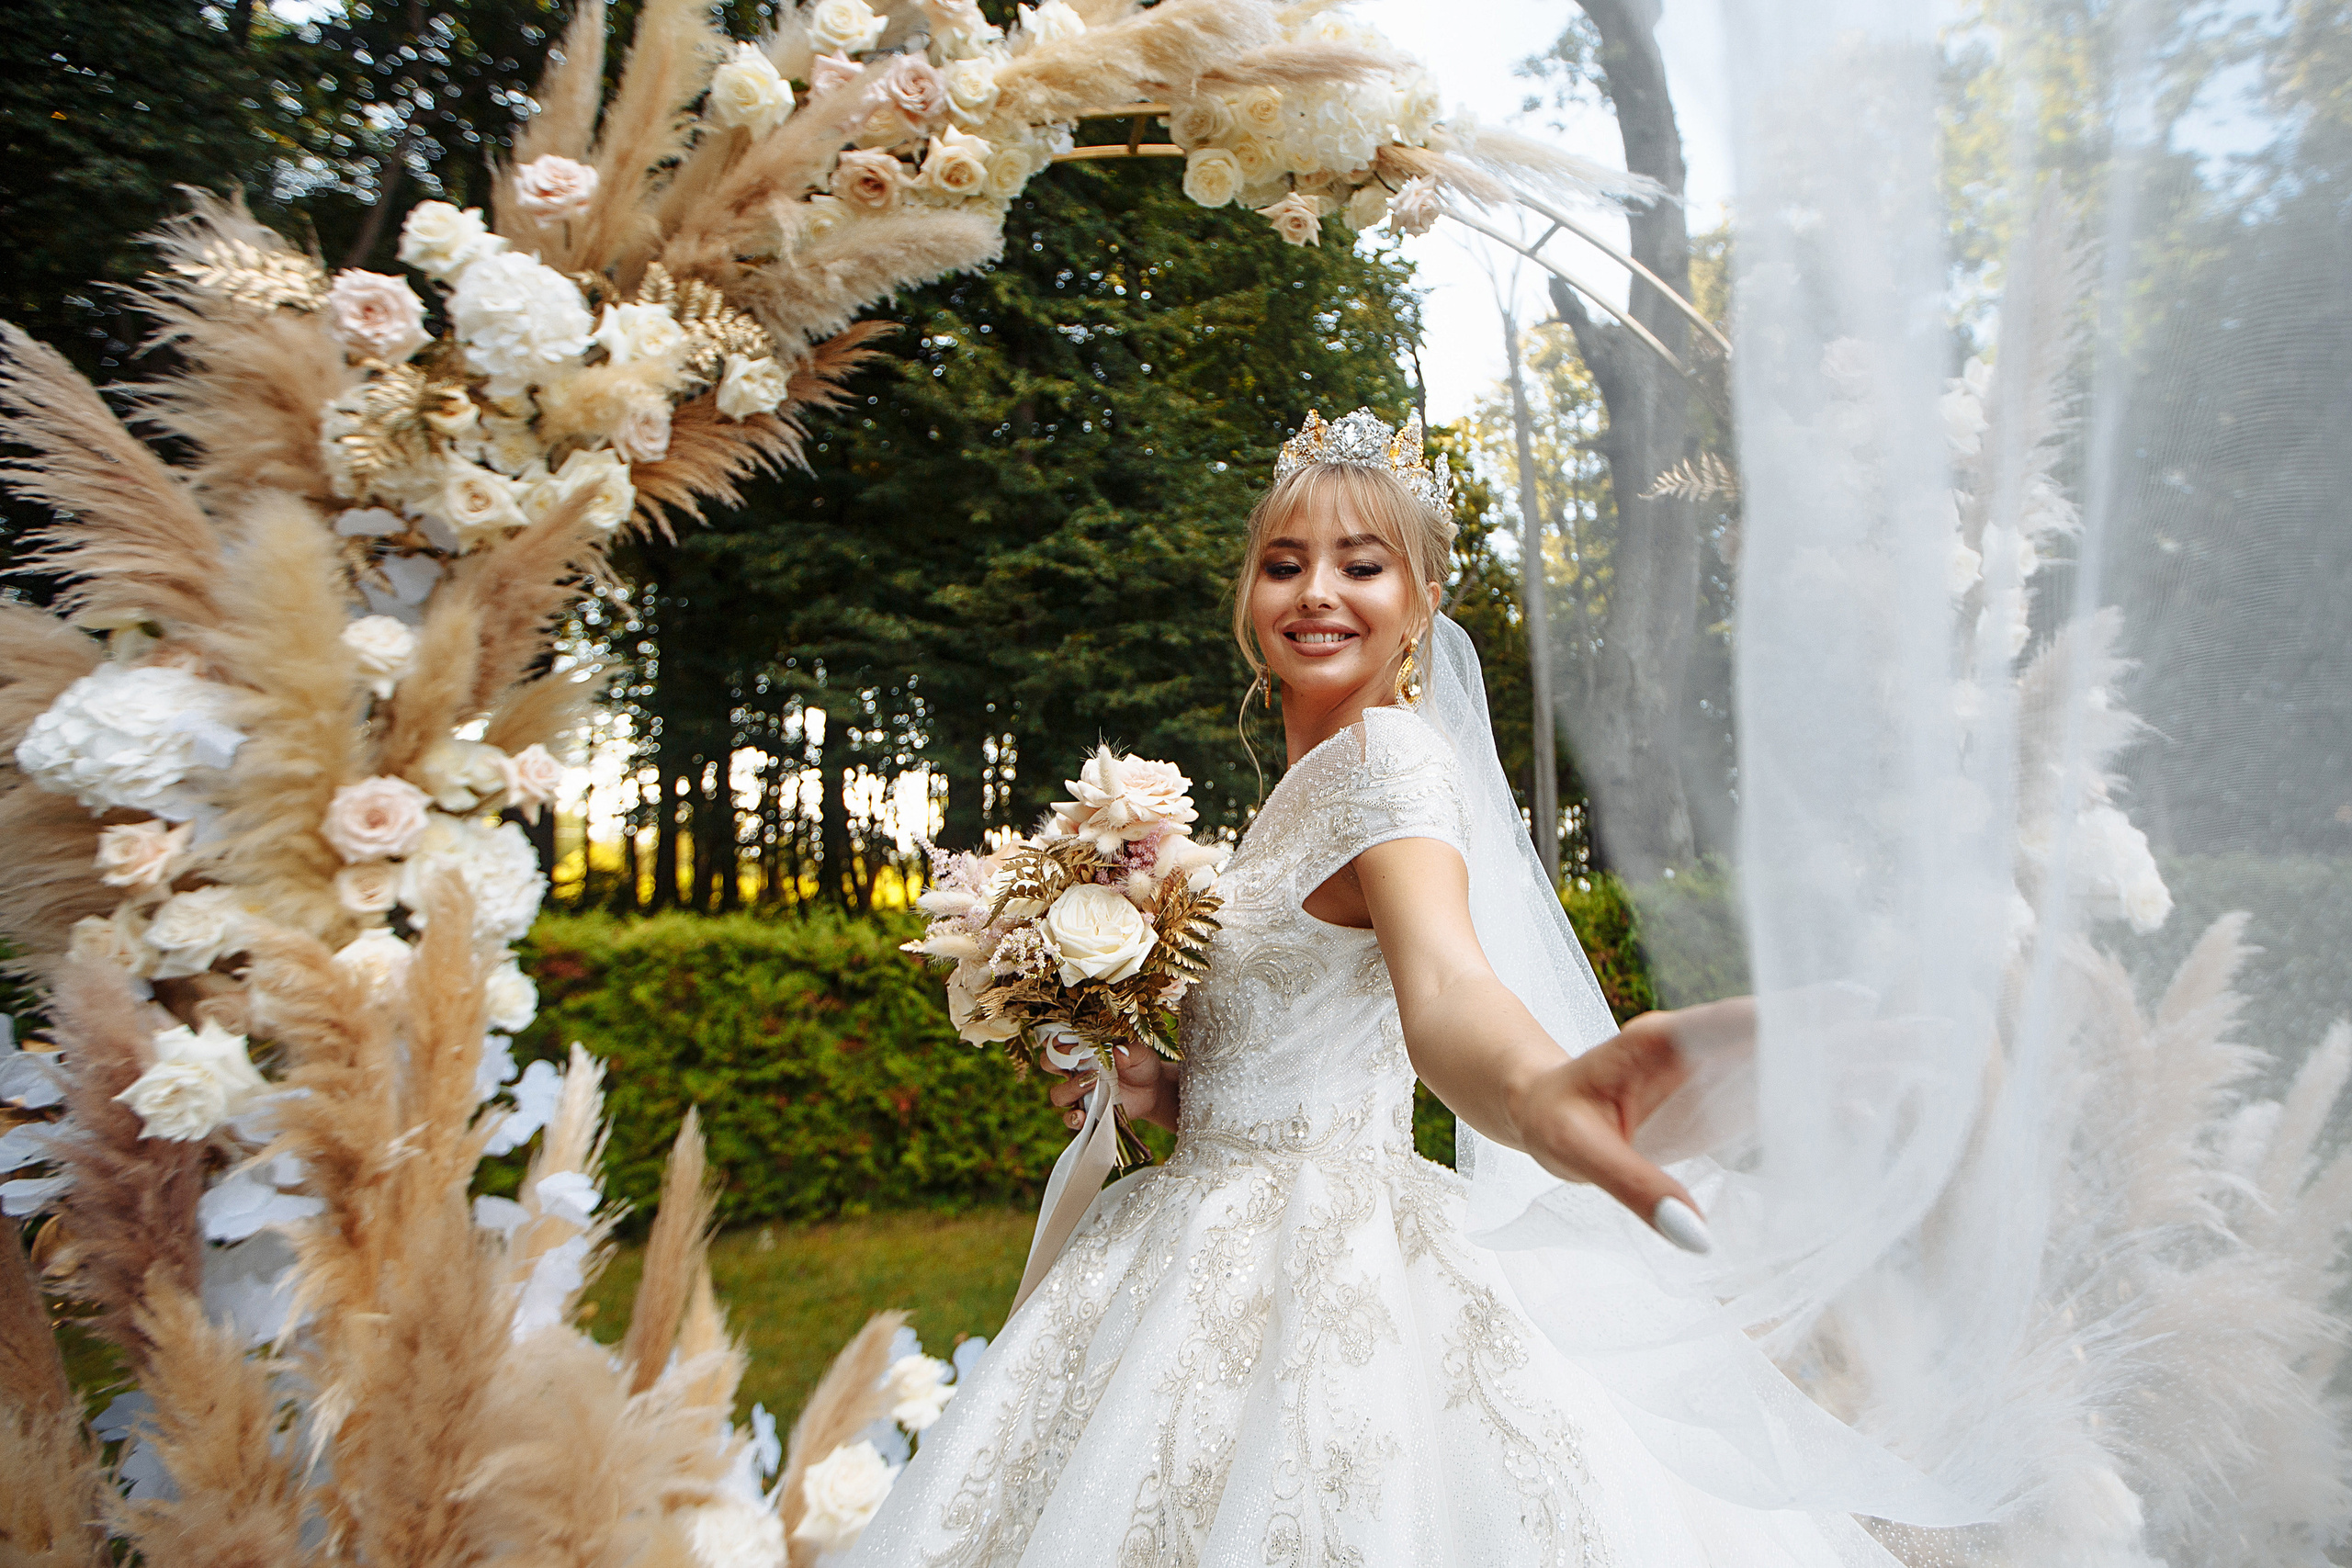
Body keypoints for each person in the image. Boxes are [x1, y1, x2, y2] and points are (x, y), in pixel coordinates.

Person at [842, 409, 1955, 1566]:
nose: (1316, 591)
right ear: (1249, 596)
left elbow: (1448, 986)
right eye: (1284, 564)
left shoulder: (1390, 768)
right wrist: (1163, 1090)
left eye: (1361, 565)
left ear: (1420, 601)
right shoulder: (1301, 795)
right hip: (1207, 1213)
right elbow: (1299, 1039)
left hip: (1312, 1257)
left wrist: (1539, 1091)